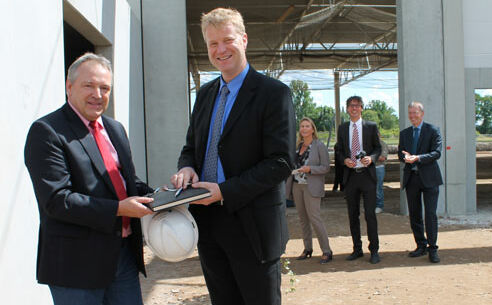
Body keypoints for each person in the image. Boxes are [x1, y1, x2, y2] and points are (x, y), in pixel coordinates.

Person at [170, 7, 295, 305]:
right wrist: (186, 167)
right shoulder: (205, 94)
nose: (221, 49)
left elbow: (281, 162)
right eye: (213, 44)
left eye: (227, 40)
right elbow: (191, 146)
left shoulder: (273, 93)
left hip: (253, 227)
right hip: (209, 224)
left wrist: (225, 191)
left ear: (244, 39)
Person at [24, 53, 154, 305]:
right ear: (69, 86)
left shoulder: (115, 129)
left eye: (105, 88)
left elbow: (127, 183)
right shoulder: (47, 131)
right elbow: (57, 199)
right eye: (89, 85)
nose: (98, 94)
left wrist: (163, 196)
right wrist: (118, 209)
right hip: (76, 267)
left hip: (123, 258)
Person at [335, 96, 382, 264]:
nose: (354, 108)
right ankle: (357, 249)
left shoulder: (370, 126)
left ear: (362, 108)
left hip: (367, 176)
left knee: (370, 214)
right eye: (351, 106)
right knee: (352, 215)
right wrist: (343, 160)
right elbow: (338, 150)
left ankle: (374, 250)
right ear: (347, 109)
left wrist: (372, 158)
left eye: (357, 106)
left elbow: (378, 148)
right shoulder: (342, 128)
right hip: (351, 176)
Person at [398, 101, 443, 263]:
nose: (412, 116)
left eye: (415, 113)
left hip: (430, 179)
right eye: (410, 113)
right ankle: (421, 245)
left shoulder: (433, 130)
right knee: (415, 215)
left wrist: (417, 158)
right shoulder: (404, 133)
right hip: (412, 180)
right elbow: (400, 154)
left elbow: (436, 153)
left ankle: (433, 248)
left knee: (430, 215)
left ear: (422, 114)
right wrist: (405, 157)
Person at [285, 118, 332, 264]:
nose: (304, 129)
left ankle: (327, 251)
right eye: (302, 126)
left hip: (311, 186)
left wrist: (310, 169)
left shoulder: (319, 146)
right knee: (303, 219)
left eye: (307, 126)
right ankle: (308, 249)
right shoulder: (297, 147)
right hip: (297, 186)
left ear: (313, 129)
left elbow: (326, 167)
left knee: (315, 218)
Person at [375, 133, 389, 213]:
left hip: (379, 168)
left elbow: (382, 158)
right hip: (369, 169)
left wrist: (370, 157)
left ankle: (379, 206)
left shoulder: (382, 144)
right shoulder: (368, 144)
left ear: (379, 135)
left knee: (378, 188)